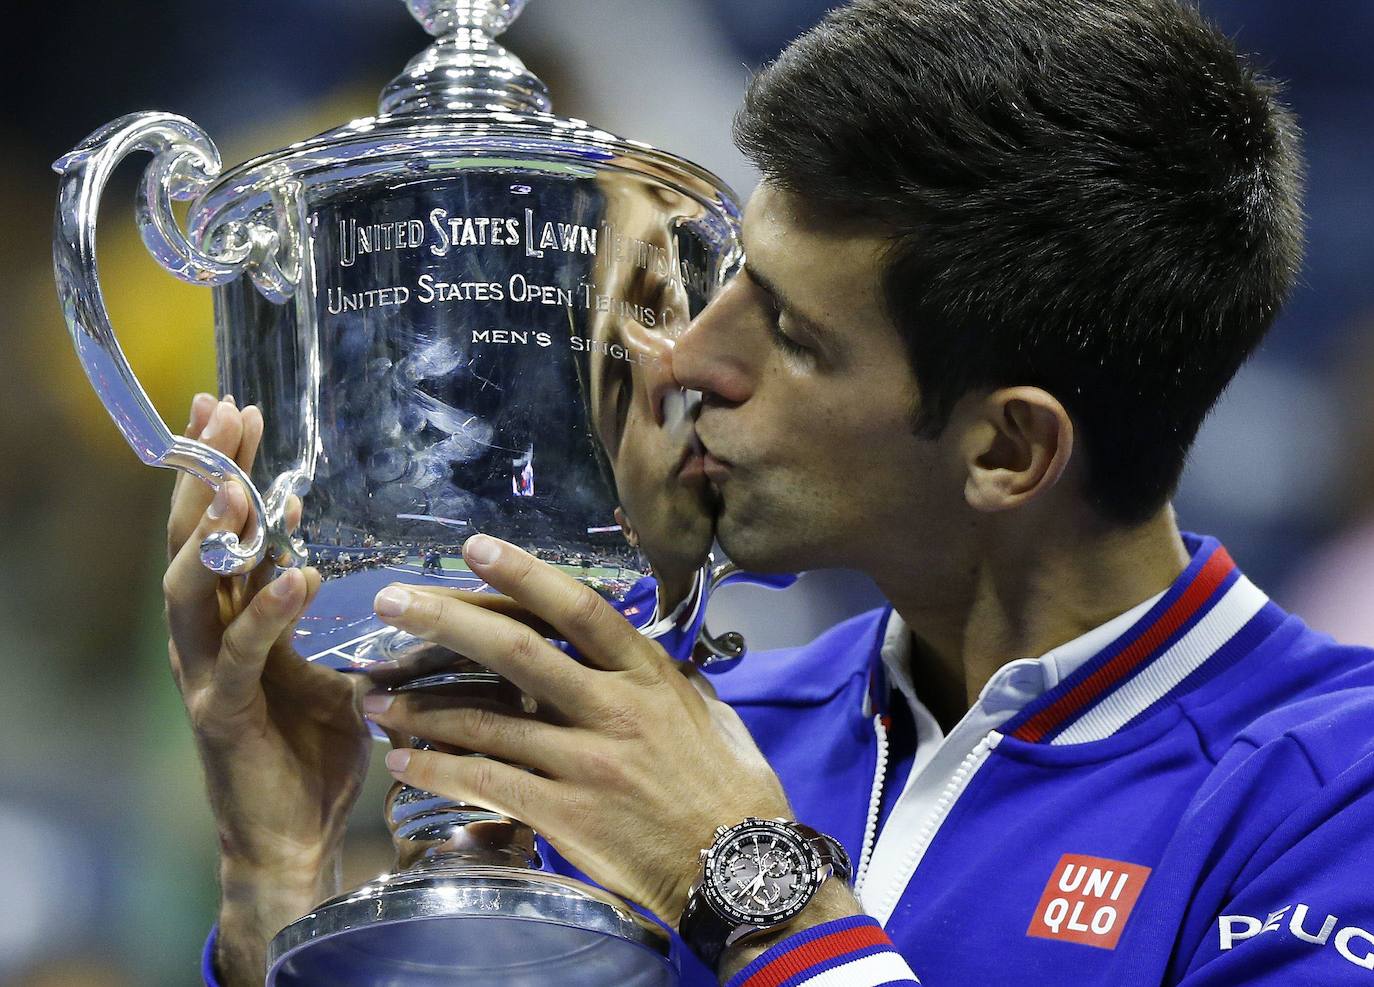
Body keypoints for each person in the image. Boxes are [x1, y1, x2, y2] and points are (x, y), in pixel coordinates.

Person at [168, 1, 1374, 985]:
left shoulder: (1326, 795)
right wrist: (276, 882)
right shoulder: (669, 738)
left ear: (1008, 450)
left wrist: (750, 886)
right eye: (734, 276)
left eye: (792, 334)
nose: (685, 355)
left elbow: (732, 866)